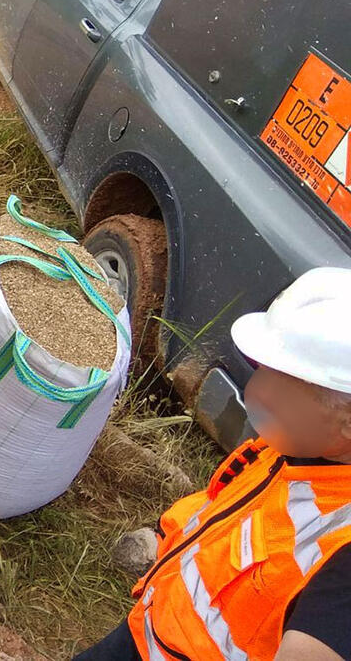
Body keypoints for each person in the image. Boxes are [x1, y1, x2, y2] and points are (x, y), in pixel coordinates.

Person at [75, 266, 351, 661]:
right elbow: (224, 508)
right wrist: (165, 535)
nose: (254, 391)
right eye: (262, 372)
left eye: (280, 387)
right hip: (147, 629)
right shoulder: (297, 447)